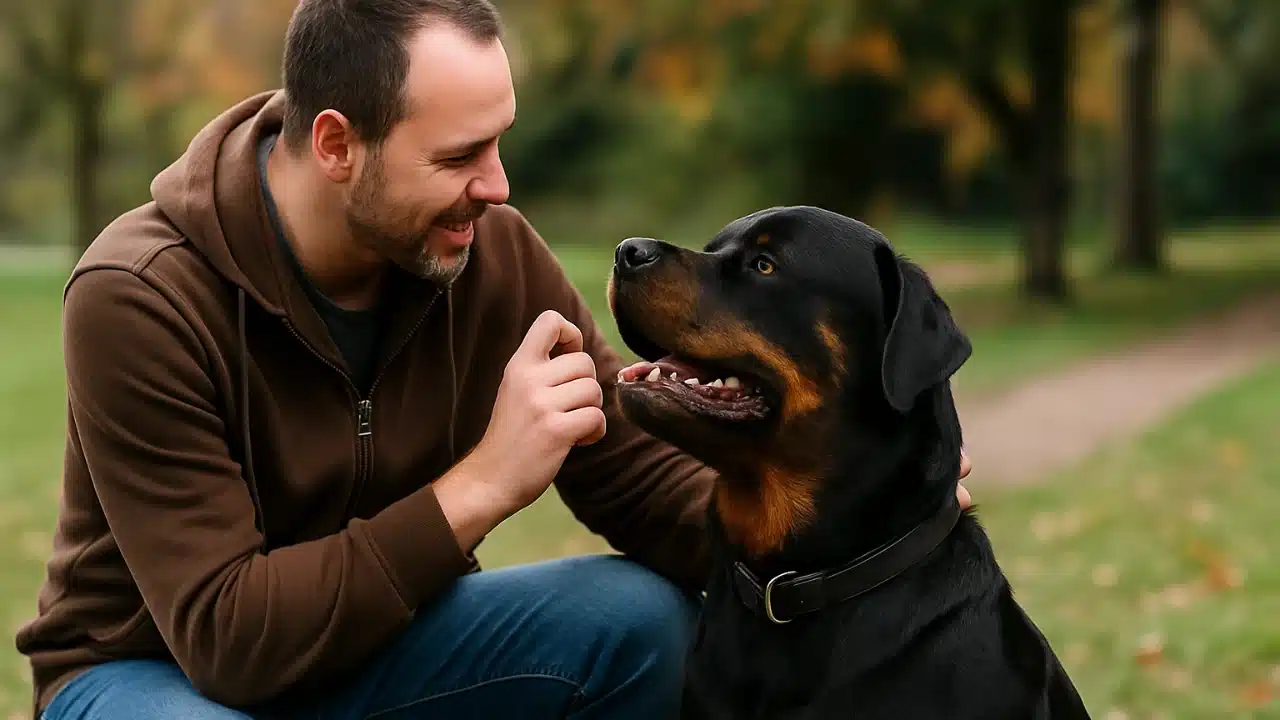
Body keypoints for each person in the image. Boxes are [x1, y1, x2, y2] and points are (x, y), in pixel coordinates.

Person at [15, 1, 974, 718]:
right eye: (458, 156)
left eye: (500, 143)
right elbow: (232, 642)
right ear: (338, 144)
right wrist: (480, 487)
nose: (498, 186)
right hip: (147, 676)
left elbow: (641, 483)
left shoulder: (487, 253)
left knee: (639, 622)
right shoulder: (140, 294)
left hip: (377, 648)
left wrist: (859, 516)